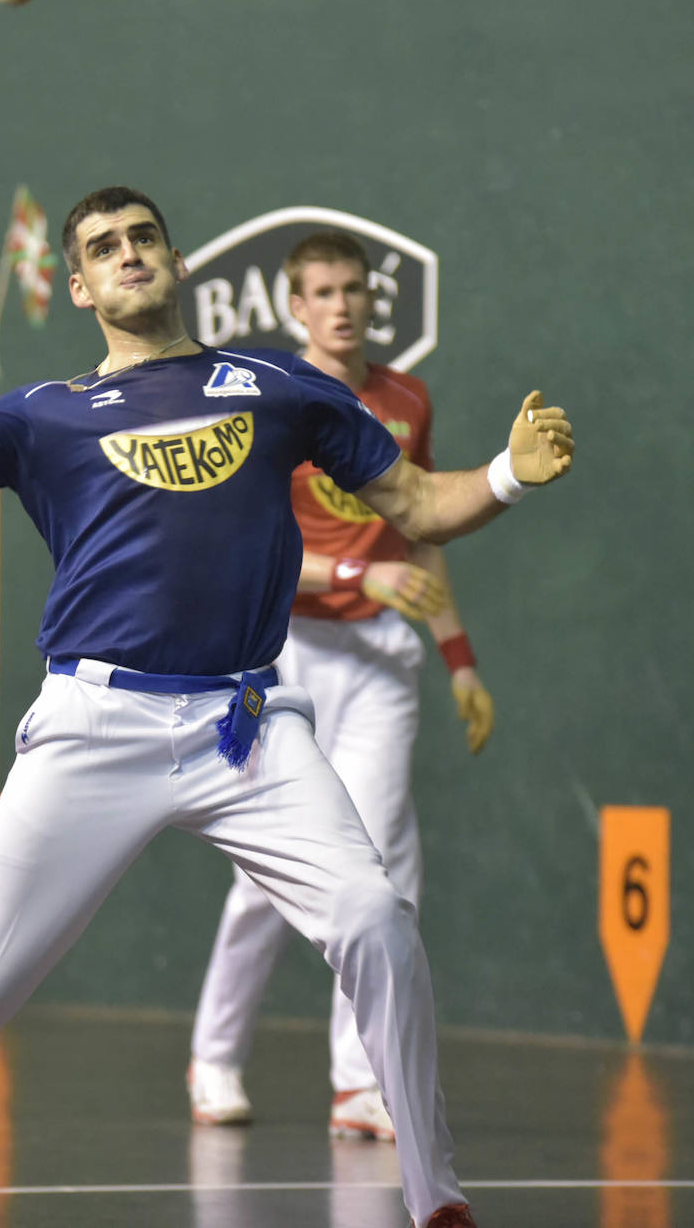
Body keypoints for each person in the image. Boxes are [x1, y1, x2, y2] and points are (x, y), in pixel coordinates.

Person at [0, 185, 573, 1228]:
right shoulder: (45, 415)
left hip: (246, 727)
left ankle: (437, 1201)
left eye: (142, 239)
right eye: (102, 248)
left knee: (375, 920)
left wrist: (508, 476)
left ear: (176, 262)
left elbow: (419, 505)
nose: (127, 255)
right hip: (92, 726)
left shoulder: (277, 388)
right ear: (77, 284)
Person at [188, 230, 495, 1142]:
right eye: (322, 292)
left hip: (381, 668)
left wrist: (460, 657)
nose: (343, 305)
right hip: (285, 659)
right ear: (295, 308)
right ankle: (214, 1056)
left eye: (354, 289)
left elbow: (421, 531)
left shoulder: (407, 399)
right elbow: (252, 549)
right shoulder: (273, 399)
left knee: (381, 866)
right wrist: (363, 580)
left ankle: (359, 1084)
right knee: (271, 873)